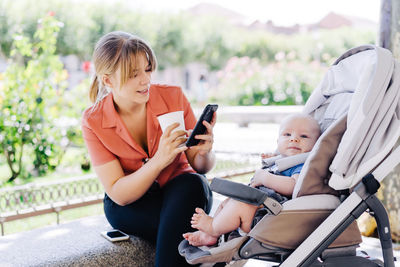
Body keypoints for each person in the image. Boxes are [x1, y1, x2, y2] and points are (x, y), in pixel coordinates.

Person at [81, 31, 215, 266]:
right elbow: (119, 193)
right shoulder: (94, 121)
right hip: (131, 202)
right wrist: (159, 160)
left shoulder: (172, 96)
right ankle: (208, 247)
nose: (145, 80)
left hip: (181, 191)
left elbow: (200, 167)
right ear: (108, 80)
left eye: (148, 69)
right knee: (180, 224)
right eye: (134, 74)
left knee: (192, 185)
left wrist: (204, 151)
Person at [183, 113, 321, 247]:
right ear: (278, 141)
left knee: (239, 204)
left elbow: (294, 186)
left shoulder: (302, 164)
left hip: (267, 214)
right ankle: (211, 235)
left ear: (316, 145)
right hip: (257, 204)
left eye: (304, 136)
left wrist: (266, 178)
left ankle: (213, 228)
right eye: (287, 134)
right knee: (228, 202)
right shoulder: (282, 161)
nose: (294, 139)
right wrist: (272, 161)